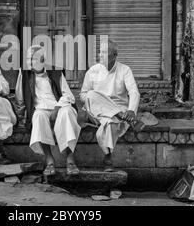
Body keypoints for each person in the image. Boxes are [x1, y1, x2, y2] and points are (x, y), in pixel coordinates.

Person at [15, 45, 81, 176]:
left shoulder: (55, 72)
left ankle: (70, 159)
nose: (29, 62)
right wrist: (20, 115)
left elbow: (69, 96)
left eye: (32, 59)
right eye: (28, 59)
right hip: (41, 110)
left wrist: (57, 108)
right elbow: (20, 98)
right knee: (38, 116)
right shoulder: (24, 74)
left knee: (67, 113)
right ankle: (49, 159)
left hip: (60, 107)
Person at [80, 40, 142, 172]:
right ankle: (120, 116)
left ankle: (108, 156)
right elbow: (83, 95)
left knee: (110, 122)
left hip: (119, 110)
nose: (100, 55)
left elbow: (134, 92)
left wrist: (131, 110)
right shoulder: (93, 71)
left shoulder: (125, 70)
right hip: (97, 111)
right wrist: (100, 101)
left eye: (104, 52)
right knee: (91, 94)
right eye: (99, 52)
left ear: (114, 55)